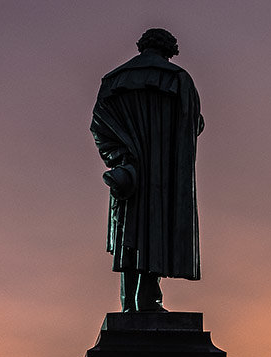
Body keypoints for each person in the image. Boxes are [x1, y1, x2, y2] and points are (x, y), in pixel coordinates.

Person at [92, 28, 204, 312]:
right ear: (169, 50)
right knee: (156, 231)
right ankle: (149, 300)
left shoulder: (113, 80)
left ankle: (129, 302)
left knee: (130, 231)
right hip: (165, 173)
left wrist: (120, 156)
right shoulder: (179, 79)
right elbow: (194, 124)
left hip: (130, 169)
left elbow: (99, 126)